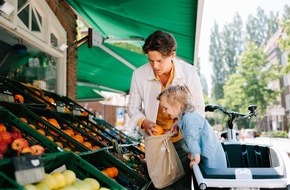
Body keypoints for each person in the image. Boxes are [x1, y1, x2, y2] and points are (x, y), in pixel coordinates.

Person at [127, 30, 205, 189]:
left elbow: (198, 109)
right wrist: (144, 122)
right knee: (159, 185)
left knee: (181, 186)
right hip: (155, 142)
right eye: (151, 61)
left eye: (160, 61)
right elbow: (132, 108)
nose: (155, 66)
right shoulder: (139, 75)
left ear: (172, 55)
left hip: (181, 142)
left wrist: (181, 125)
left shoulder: (189, 73)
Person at [157, 85, 227, 169]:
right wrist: (176, 125)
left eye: (165, 108)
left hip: (212, 159)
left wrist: (196, 158)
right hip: (206, 154)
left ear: (178, 105)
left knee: (213, 179)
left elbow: (192, 138)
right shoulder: (184, 116)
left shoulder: (189, 118)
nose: (164, 111)